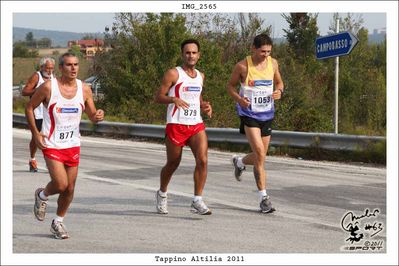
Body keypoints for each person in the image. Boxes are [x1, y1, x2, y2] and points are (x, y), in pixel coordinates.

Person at [25, 52, 104, 239]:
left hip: (73, 144)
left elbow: (92, 116)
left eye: (76, 64)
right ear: (61, 68)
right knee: (61, 184)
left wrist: (98, 116)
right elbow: (29, 108)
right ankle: (42, 195)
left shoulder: (84, 88)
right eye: (69, 65)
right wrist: (36, 134)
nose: (74, 68)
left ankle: (58, 222)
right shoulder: (48, 87)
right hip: (52, 143)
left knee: (70, 188)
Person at [226, 33, 284, 213]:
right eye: (262, 51)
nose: (265, 55)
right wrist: (239, 99)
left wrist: (279, 92)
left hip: (267, 113)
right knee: (259, 153)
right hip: (249, 113)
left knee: (261, 156)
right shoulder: (242, 66)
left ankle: (240, 162)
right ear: (253, 48)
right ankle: (263, 199)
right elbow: (229, 86)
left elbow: (280, 83)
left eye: (268, 51)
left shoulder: (273, 63)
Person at [154, 39, 213, 215]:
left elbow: (197, 98)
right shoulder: (173, 74)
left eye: (194, 52)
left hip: (195, 124)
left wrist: (205, 106)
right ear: (182, 54)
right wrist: (173, 99)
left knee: (202, 160)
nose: (191, 56)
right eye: (187, 52)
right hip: (176, 124)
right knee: (173, 163)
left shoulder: (201, 76)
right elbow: (158, 97)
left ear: (199, 55)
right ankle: (162, 193)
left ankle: (197, 199)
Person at [22, 56, 55, 172]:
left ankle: (50, 162)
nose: (50, 71)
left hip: (49, 113)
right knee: (36, 138)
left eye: (52, 68)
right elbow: (24, 91)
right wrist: (39, 91)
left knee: (50, 137)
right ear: (42, 67)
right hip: (36, 113)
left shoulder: (53, 78)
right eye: (48, 68)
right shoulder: (37, 76)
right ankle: (32, 160)